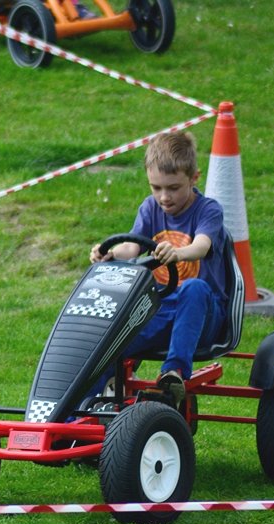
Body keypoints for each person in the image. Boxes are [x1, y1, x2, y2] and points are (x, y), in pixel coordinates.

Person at [88, 131, 227, 403]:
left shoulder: (208, 210)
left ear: (194, 178)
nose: (164, 197)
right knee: (107, 346)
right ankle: (78, 416)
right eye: (156, 187)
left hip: (204, 314)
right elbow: (132, 247)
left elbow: (202, 245)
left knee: (194, 287)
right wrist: (109, 252)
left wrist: (178, 253)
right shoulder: (150, 209)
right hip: (160, 309)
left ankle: (173, 374)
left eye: (173, 188)